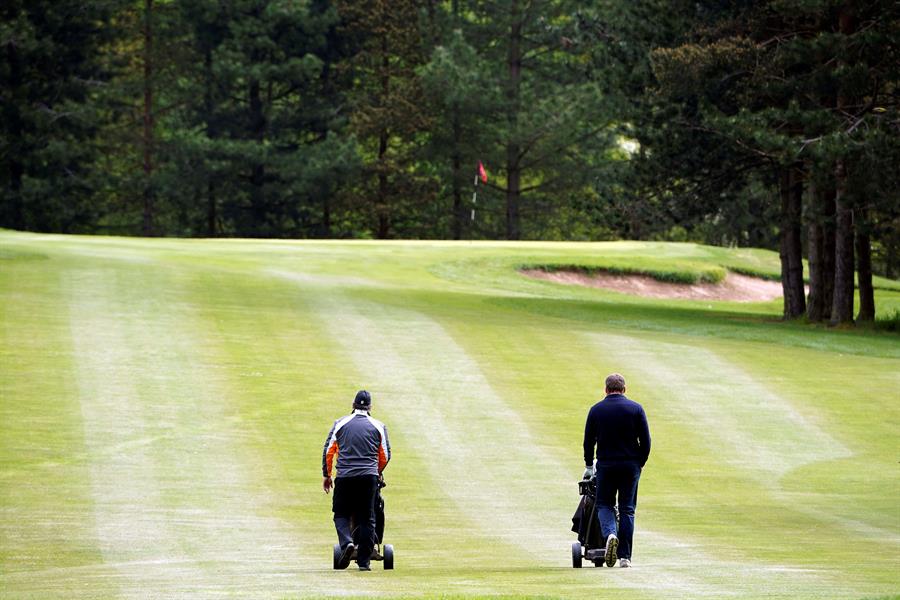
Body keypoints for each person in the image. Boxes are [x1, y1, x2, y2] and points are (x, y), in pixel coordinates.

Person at [582, 373, 650, 568]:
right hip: (630, 465)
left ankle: (610, 534)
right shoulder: (636, 409)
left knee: (604, 504)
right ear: (624, 389)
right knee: (627, 509)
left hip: (606, 464)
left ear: (606, 390)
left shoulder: (596, 410)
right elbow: (645, 441)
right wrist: (640, 462)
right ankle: (625, 557)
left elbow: (588, 442)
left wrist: (588, 465)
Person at [322, 390, 391, 571]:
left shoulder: (340, 423)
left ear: (353, 405)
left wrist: (327, 475)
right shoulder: (378, 426)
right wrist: (376, 471)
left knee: (340, 514)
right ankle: (364, 563)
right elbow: (385, 455)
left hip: (345, 477)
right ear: (370, 407)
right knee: (368, 518)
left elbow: (329, 450)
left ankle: (347, 543)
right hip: (368, 478)